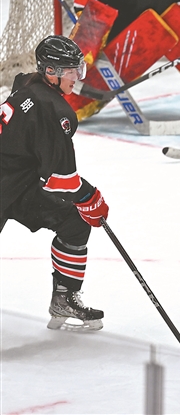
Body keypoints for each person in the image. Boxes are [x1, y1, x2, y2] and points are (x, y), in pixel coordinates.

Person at [0, 36, 110, 331]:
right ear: (50, 72)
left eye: (77, 69)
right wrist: (90, 197)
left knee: (74, 222)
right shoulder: (53, 110)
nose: (76, 77)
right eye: (71, 71)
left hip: (17, 184)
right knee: (80, 210)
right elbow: (62, 181)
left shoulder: (28, 82)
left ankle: (64, 299)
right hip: (6, 182)